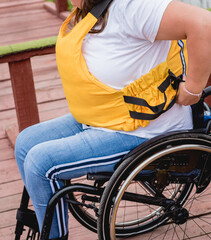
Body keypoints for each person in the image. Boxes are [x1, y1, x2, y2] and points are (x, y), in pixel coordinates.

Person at [15, 0, 211, 239]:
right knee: (26, 143)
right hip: (105, 117)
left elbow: (204, 23)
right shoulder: (89, 11)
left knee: (40, 163)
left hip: (142, 130)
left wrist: (192, 90)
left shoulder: (132, 6)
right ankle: (47, 222)